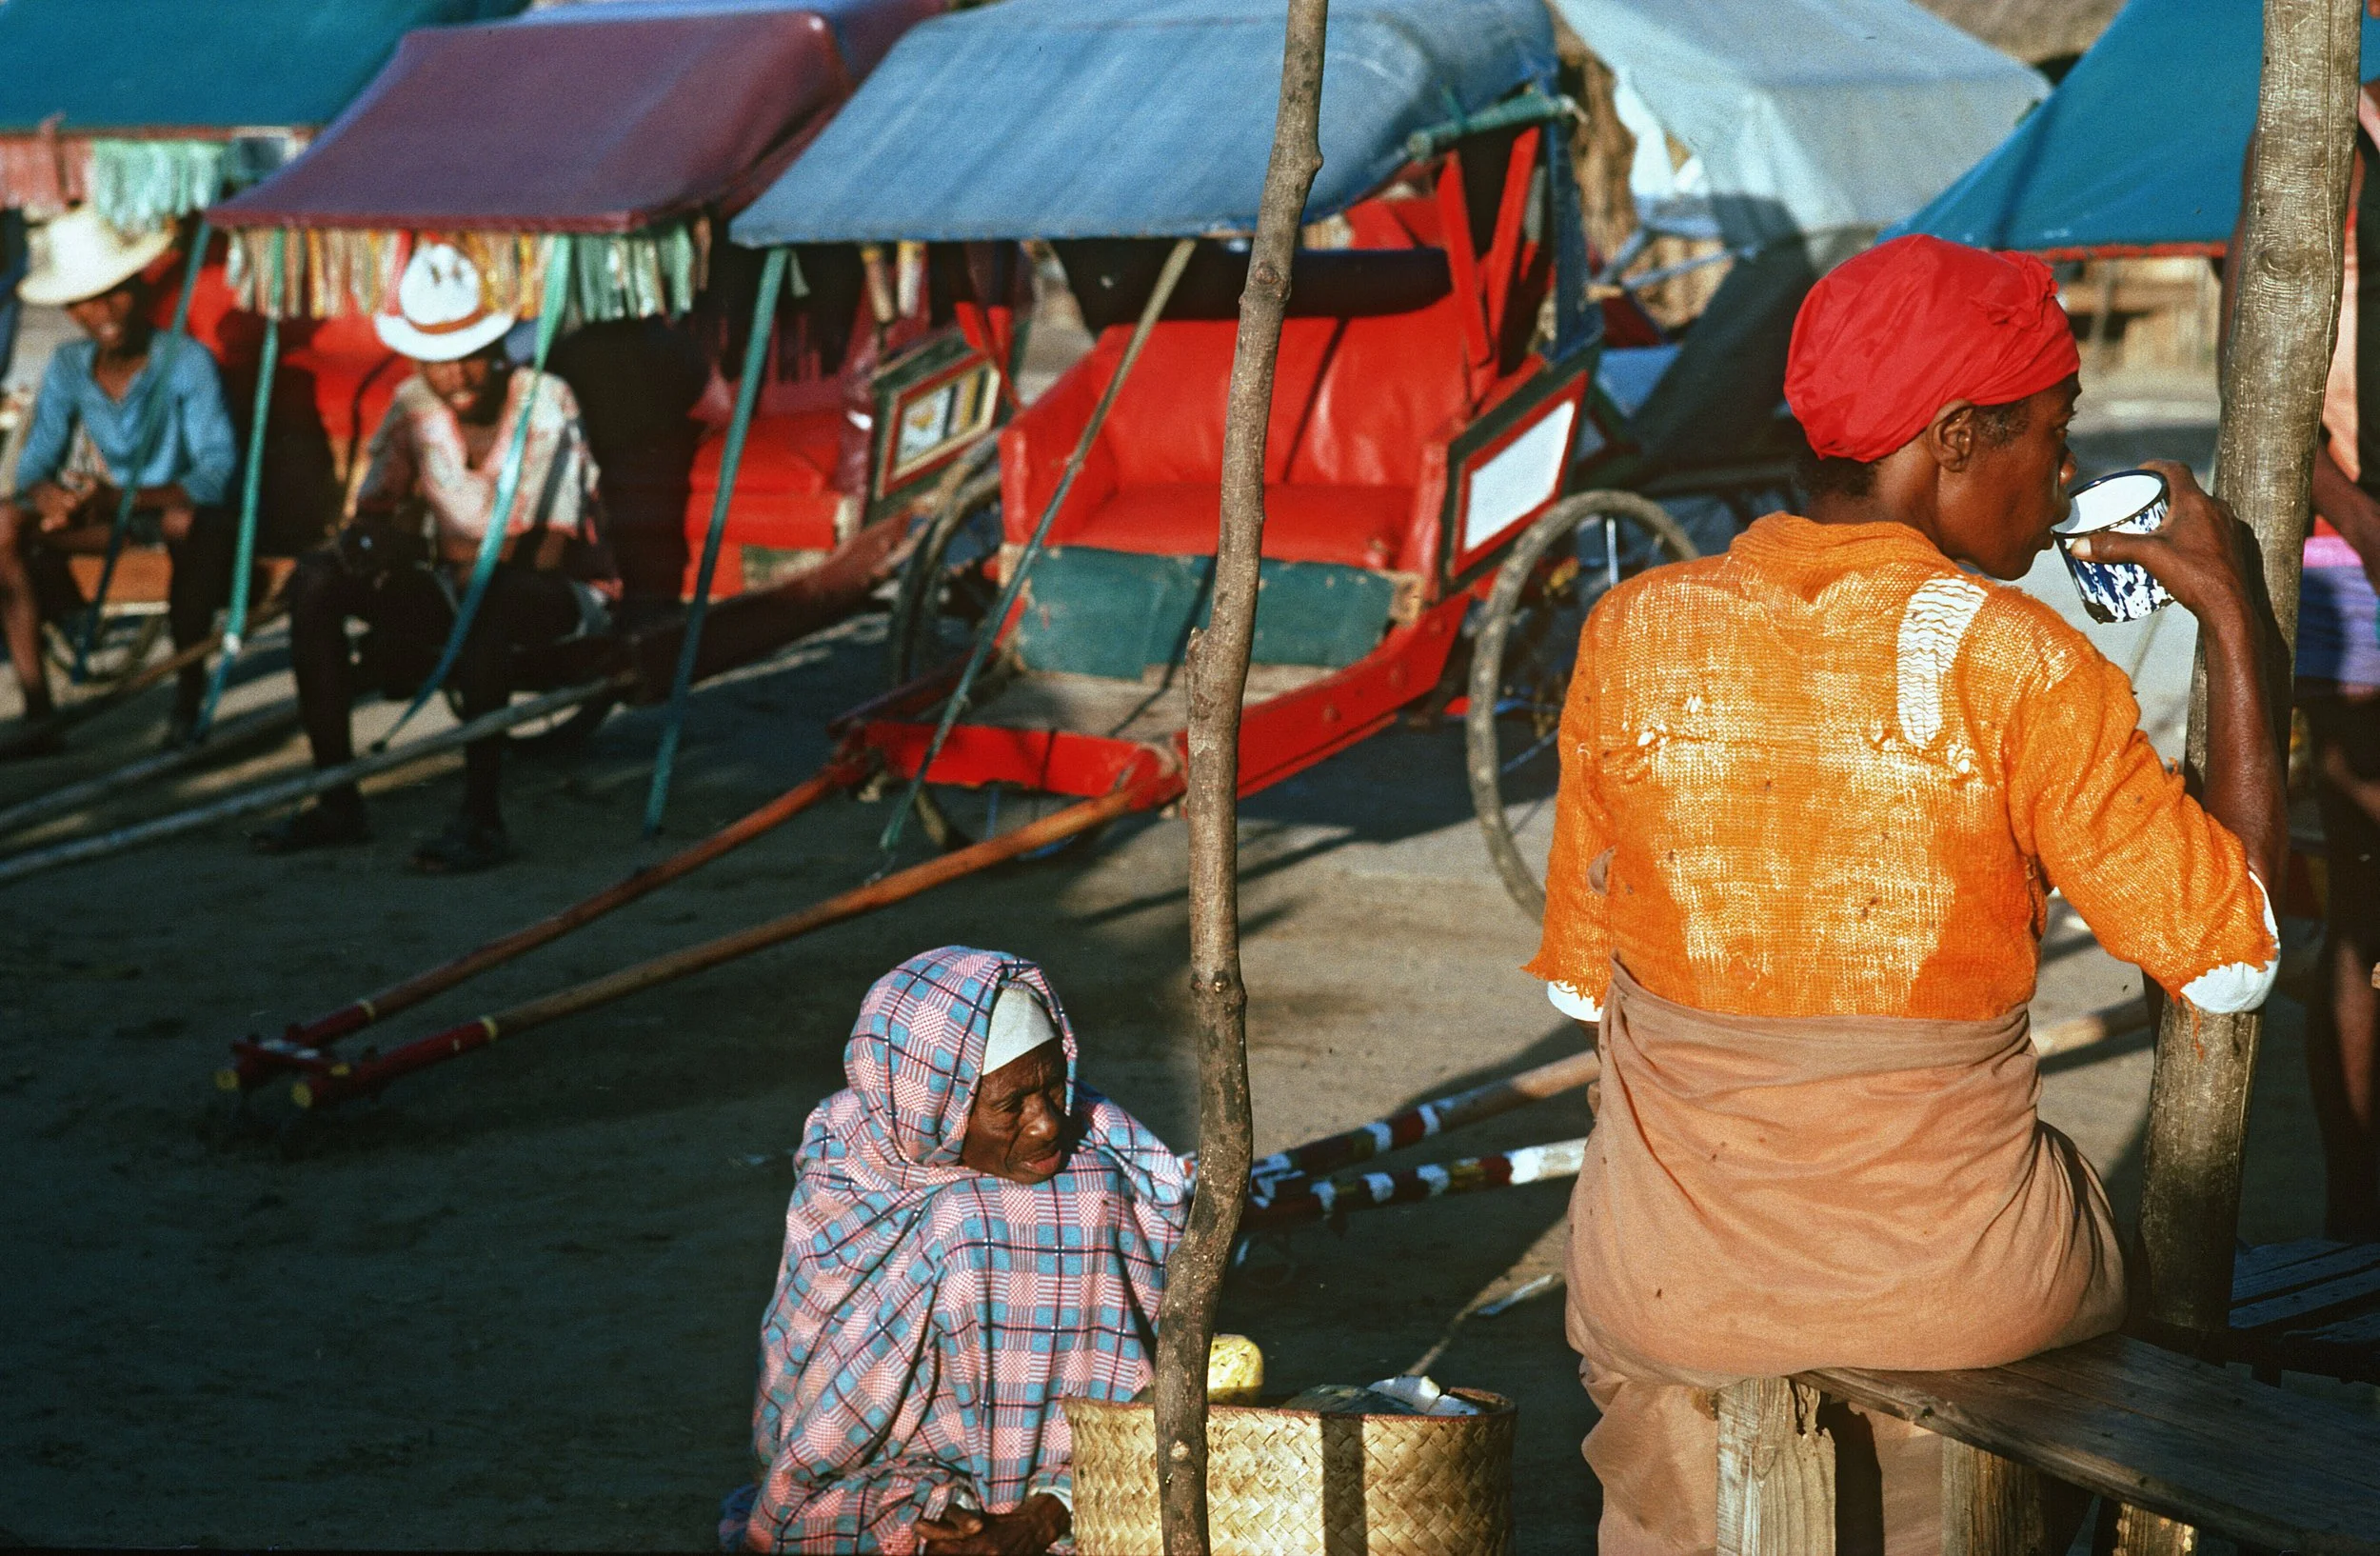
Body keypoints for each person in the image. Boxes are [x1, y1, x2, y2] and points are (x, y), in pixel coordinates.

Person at [1527, 234, 2284, 1554]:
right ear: (1950, 437)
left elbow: (1579, 985)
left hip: (1670, 1290)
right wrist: (2234, 624)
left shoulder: (1633, 631)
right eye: (2053, 435)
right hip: (1951, 1294)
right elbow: (2234, 962)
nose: (2059, 480)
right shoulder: (2019, 664)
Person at [728, 946, 1189, 1555]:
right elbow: (814, 1417)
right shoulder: (845, 1152)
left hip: (1077, 1482)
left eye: (1056, 1087)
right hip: (890, 1474)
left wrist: (1046, 1513)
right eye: (1011, 1106)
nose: (1049, 1122)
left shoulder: (1089, 1187)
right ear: (934, 1109)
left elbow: (1137, 1389)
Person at [249, 242, 603, 873]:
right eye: (437, 363)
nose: (455, 378)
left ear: (496, 350)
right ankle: (337, 797)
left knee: (481, 586)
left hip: (547, 596)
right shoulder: (414, 404)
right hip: (452, 585)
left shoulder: (547, 400)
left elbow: (551, 550)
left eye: (469, 359)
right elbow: (376, 511)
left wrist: (440, 555)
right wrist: (369, 544)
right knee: (316, 580)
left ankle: (482, 817)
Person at [2241, 66, 2380, 1240]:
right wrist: (2356, 509)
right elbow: (2261, 363)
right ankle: (2353, 1203)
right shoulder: (2311, 140)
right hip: (2353, 553)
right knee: (2368, 889)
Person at [1, 208, 238, 748]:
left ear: (139, 290)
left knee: (183, 521)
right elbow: (35, 464)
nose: (102, 312)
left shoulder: (185, 360)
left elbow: (217, 470)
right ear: (69, 309)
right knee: (3, 523)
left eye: (115, 293)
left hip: (179, 519)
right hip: (113, 521)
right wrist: (50, 494)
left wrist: (121, 500)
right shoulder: (67, 366)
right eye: (85, 300)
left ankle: (186, 697)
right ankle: (40, 713)